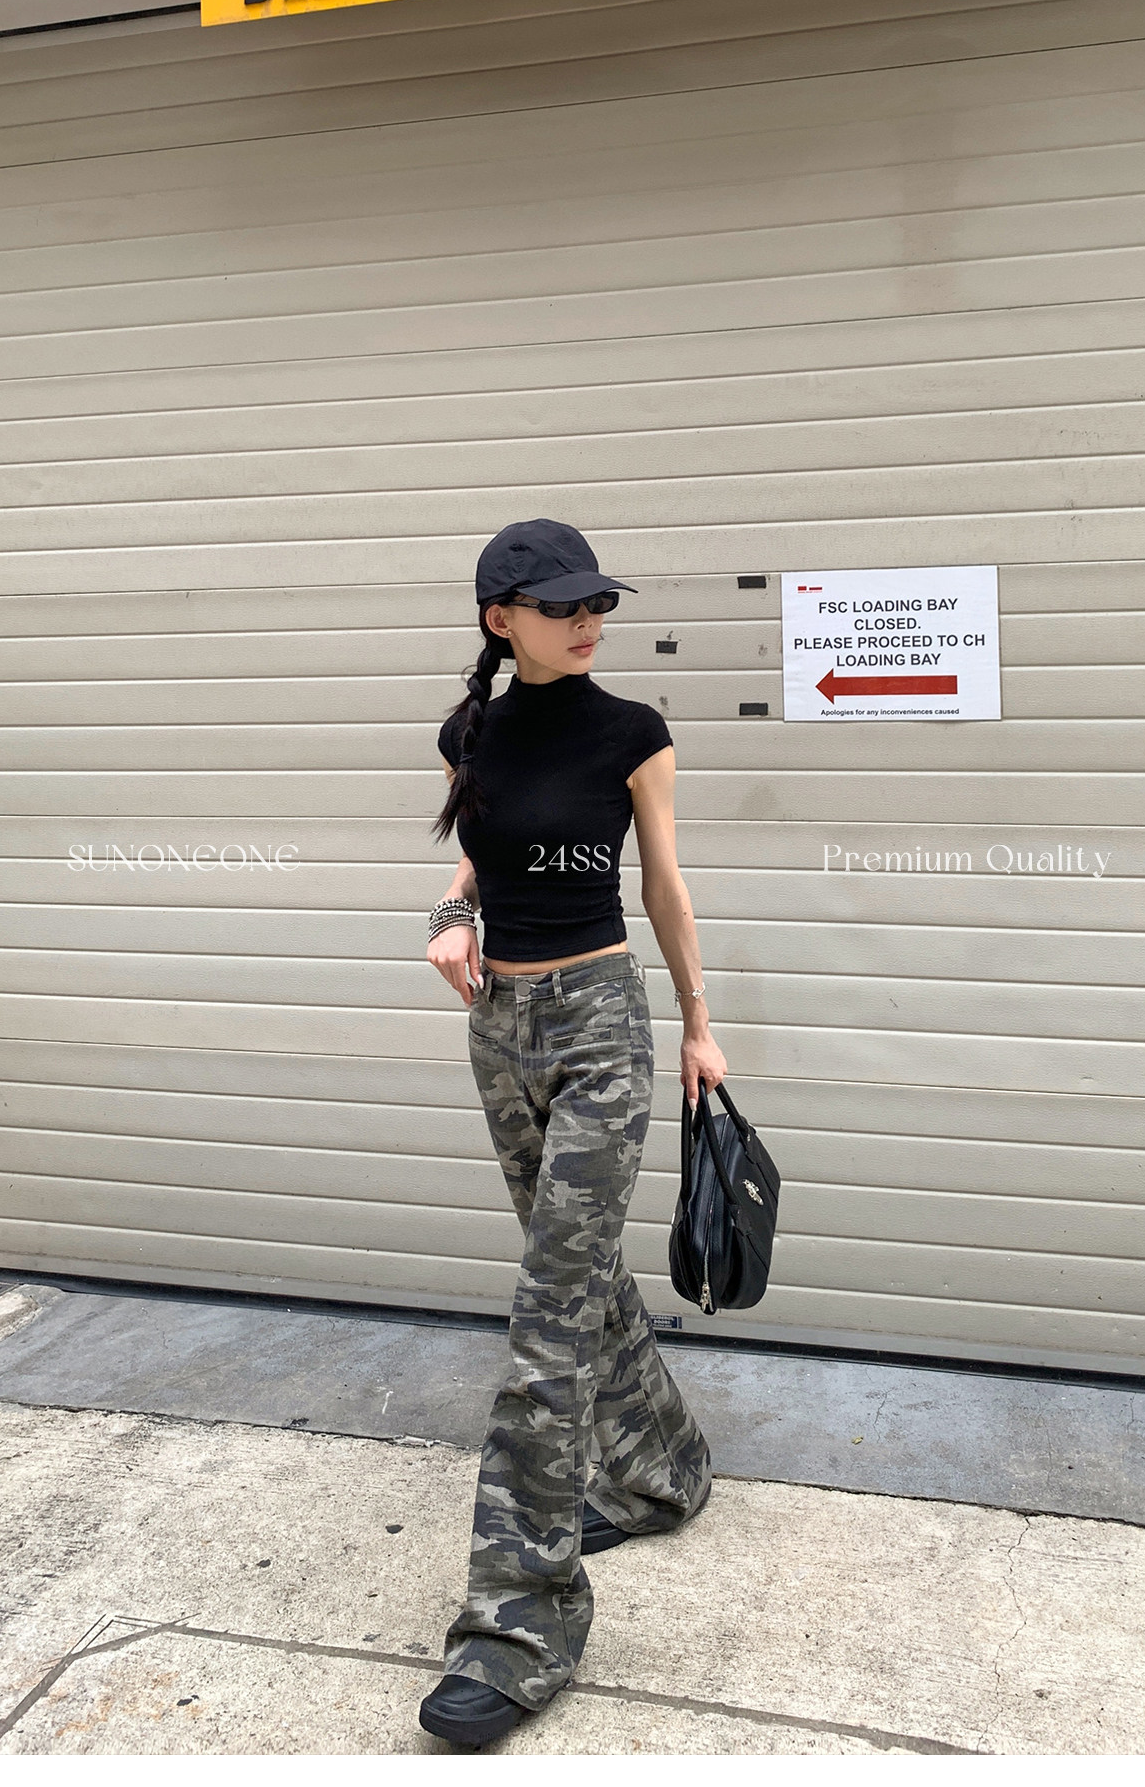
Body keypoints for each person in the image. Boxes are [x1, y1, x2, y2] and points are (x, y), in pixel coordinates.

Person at [417, 518, 726, 1750]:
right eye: (561, 606)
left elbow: (662, 884)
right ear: (503, 620)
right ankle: (663, 1471)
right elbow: (479, 861)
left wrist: (699, 1024)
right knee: (581, 1277)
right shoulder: (471, 735)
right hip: (500, 1028)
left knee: (546, 1322)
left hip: (603, 1026)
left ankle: (518, 1627)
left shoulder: (631, 732)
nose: (588, 620)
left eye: (597, 602)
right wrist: (446, 916)